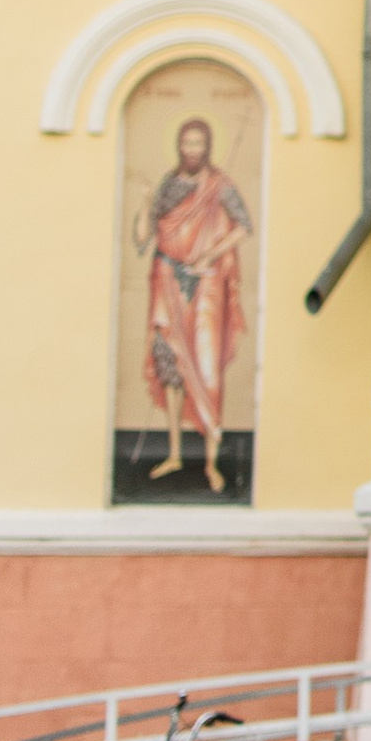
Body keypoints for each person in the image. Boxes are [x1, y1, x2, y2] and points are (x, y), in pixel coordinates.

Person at [135, 116, 251, 493]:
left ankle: (212, 463)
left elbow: (243, 226)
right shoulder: (169, 187)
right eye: (187, 143)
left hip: (205, 288)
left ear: (208, 147)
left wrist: (210, 255)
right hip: (167, 282)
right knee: (170, 366)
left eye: (199, 143)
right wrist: (145, 201)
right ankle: (173, 454)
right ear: (179, 147)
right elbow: (143, 240)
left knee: (206, 368)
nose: (192, 150)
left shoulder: (219, 186)